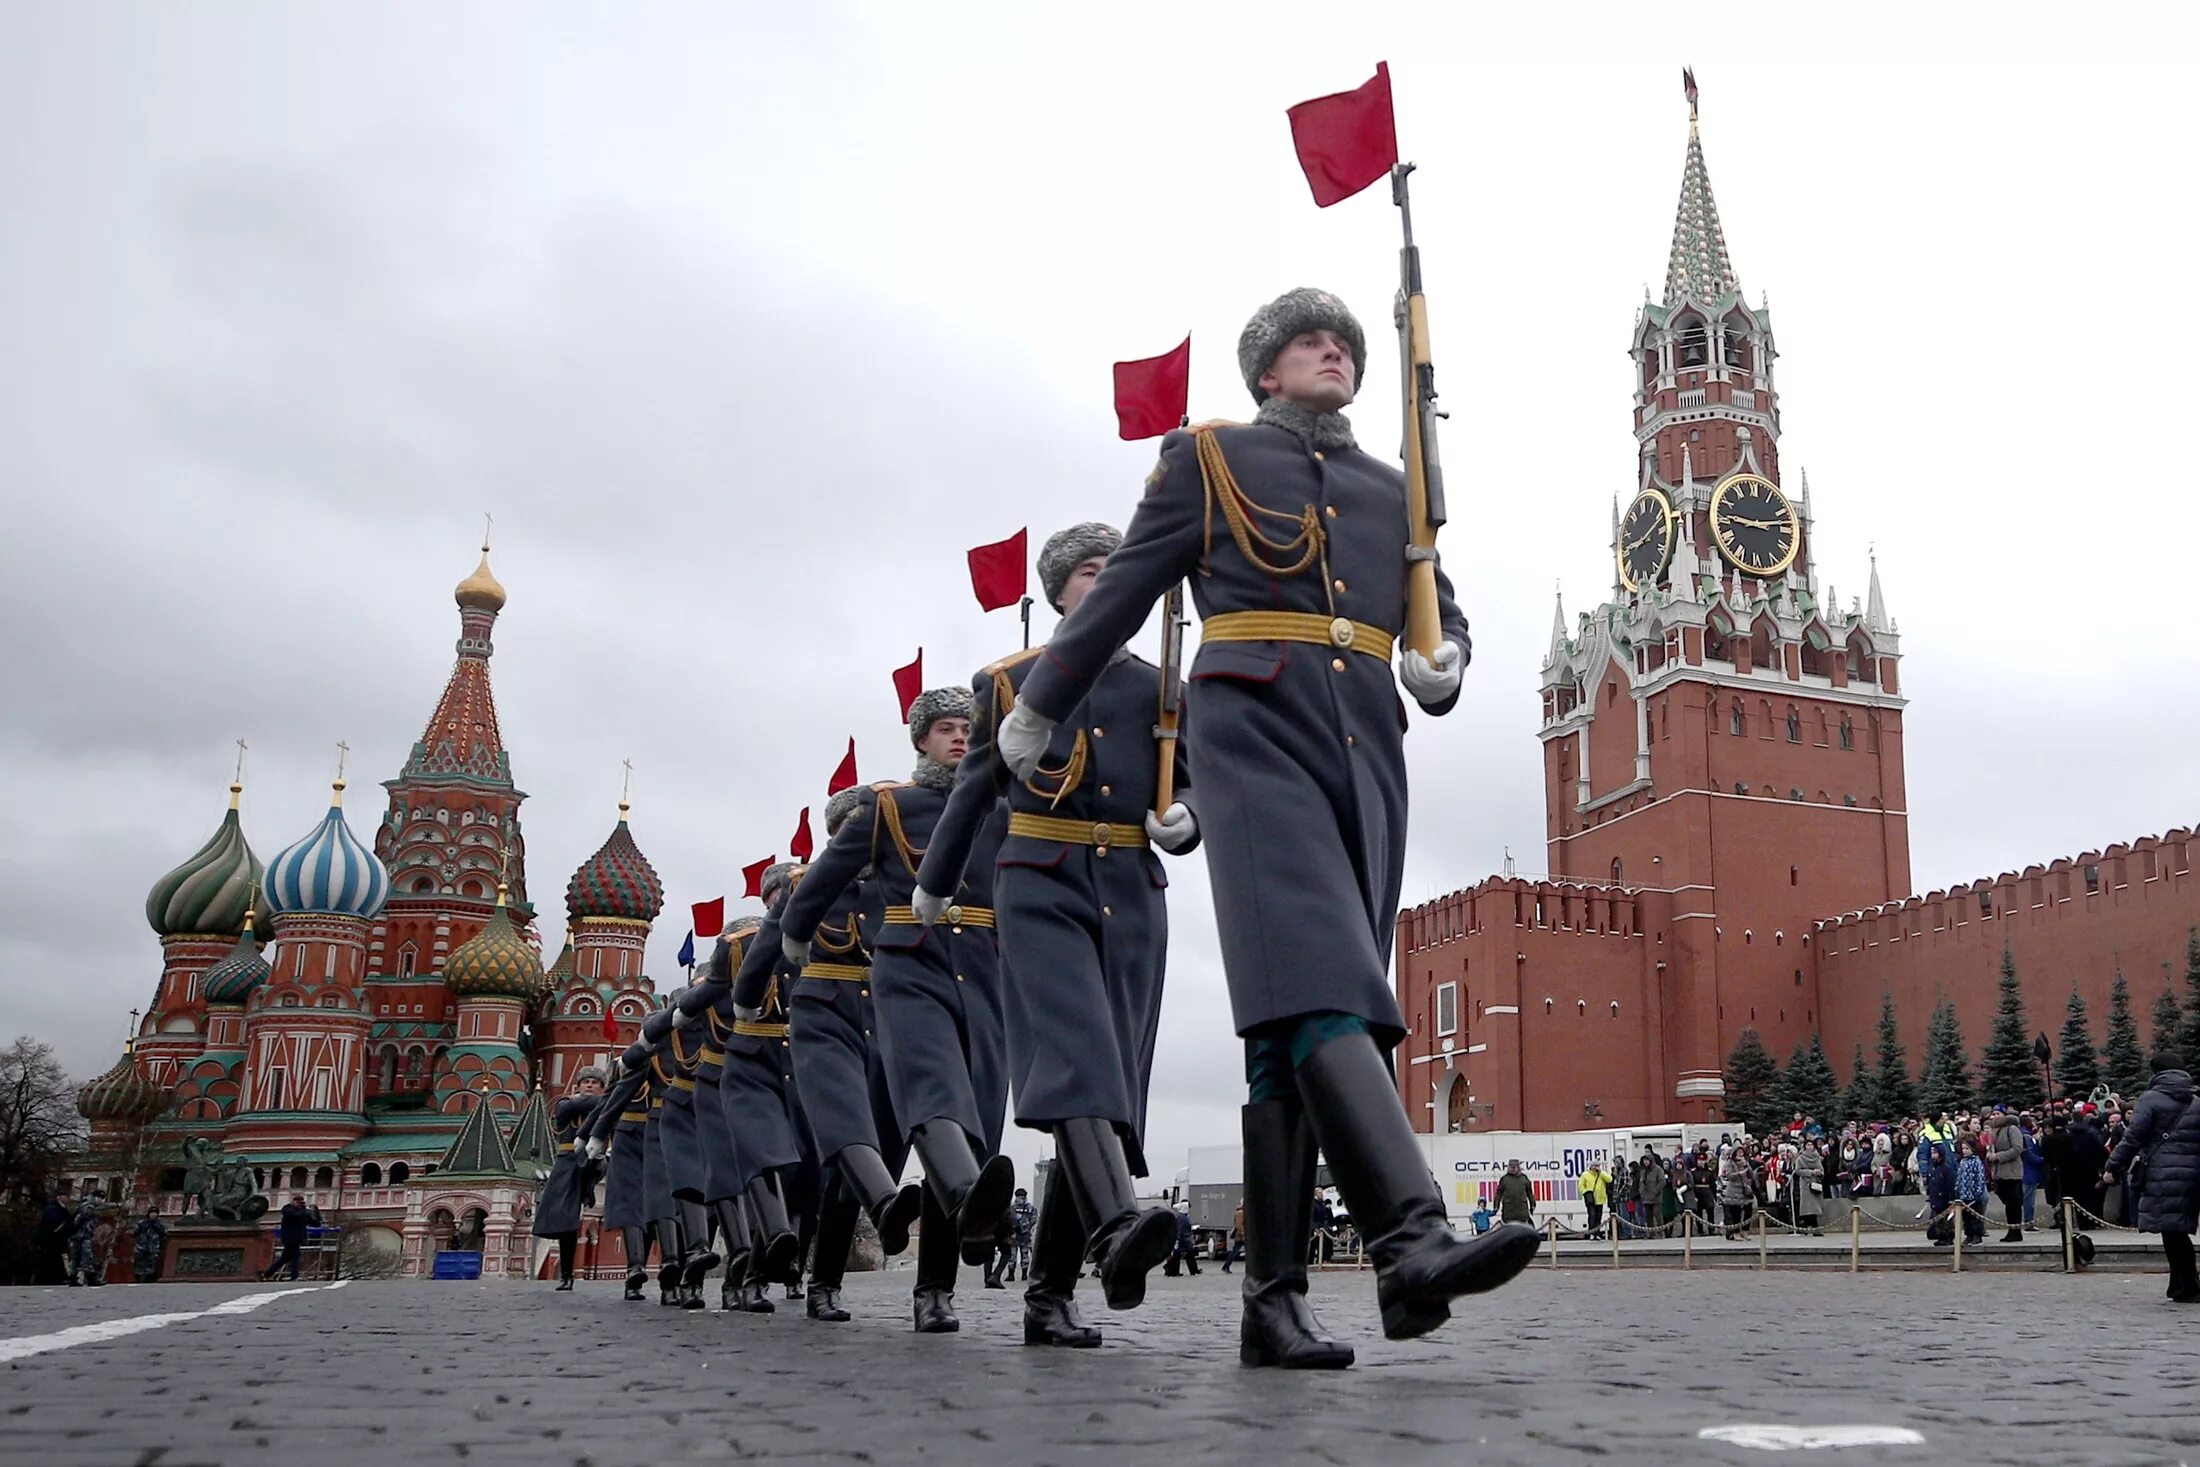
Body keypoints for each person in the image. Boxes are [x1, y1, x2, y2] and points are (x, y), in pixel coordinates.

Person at [999, 288, 1538, 1369]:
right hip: (1251, 741)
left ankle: (1273, 1304)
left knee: (1297, 1039)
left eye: (1341, 340)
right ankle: (1408, 1239)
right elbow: (1127, 592)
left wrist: (1448, 662)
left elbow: (1438, 606)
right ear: (1265, 372)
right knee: (1330, 982)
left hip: (1364, 763)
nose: (1331, 349)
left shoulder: (1393, 490)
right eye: (1306, 340)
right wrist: (1040, 702)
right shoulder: (1210, 460)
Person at [915, 521, 1196, 1347]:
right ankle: (1116, 1229)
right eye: (1093, 571)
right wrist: (933, 883)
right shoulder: (1012, 681)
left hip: (1134, 894)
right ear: (1059, 588)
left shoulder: (1162, 684)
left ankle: (1049, 1294)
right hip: (1041, 884)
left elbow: (1198, 772)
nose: (1111, 583)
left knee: (1109, 1087)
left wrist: (1193, 817)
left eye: (1120, 570)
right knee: (1078, 1059)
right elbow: (975, 788)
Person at [778, 687, 1014, 1335]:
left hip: (981, 981)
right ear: (920, 739)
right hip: (903, 996)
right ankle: (823, 1278)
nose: (961, 737)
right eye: (945, 727)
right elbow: (822, 882)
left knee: (967, 1136)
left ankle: (934, 1291)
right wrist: (794, 933)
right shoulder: (889, 810)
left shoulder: (998, 807)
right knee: (867, 1151)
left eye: (969, 726)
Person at [2104, 1054, 2199, 1303]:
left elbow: (2133, 1137)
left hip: (2163, 1172)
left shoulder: (2150, 1099)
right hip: (2192, 1173)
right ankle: (2179, 1284)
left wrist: (2113, 1165)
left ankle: (2188, 1284)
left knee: (2172, 1231)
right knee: (2178, 1230)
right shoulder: (2196, 1101)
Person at [534, 1066, 606, 1291]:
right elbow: (563, 1110)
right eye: (586, 1081)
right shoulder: (566, 1103)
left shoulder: (597, 1103)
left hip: (593, 1161)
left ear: (602, 1087)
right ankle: (566, 1274)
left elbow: (594, 1106)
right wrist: (596, 1101)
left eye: (595, 1082)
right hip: (567, 1160)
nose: (590, 1085)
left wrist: (589, 1102)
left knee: (595, 1170)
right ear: (578, 1085)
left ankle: (589, 1187)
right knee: (566, 1220)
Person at [1986, 1105, 2026, 1243]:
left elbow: (2017, 1148)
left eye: (1997, 1113)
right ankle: (2011, 1229)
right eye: (1993, 1113)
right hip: (2000, 1173)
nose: (1994, 1116)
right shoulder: (1997, 1131)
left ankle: (2015, 1231)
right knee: (2007, 1202)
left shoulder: (2012, 1129)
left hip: (2012, 1172)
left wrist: (1998, 1156)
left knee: (2013, 1204)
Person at [261, 1196, 318, 1281]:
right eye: (299, 1203)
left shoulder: (301, 1212)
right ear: (294, 1202)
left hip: (296, 1238)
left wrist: (312, 1215)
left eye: (301, 1203)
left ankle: (267, 1273)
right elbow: (294, 1215)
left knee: (285, 1258)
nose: (300, 1205)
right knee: (295, 1257)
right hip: (289, 1238)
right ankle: (294, 1276)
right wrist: (305, 1212)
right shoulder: (288, 1210)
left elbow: (312, 1222)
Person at [1954, 1140, 1989, 1245]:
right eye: (1963, 1148)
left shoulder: (1976, 1162)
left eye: (1967, 1148)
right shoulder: (1962, 1162)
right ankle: (1969, 1235)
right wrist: (1957, 1189)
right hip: (1964, 1195)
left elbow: (1980, 1178)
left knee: (1976, 1217)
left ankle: (1977, 1235)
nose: (1964, 1151)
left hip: (1974, 1196)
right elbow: (1959, 1177)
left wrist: (1978, 1193)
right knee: (1966, 1218)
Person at [132, 1205, 167, 1284]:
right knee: (139, 1265)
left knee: (151, 1266)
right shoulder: (142, 1223)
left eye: (155, 1213)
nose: (153, 1215)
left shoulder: (159, 1225)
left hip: (153, 1248)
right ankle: (138, 1279)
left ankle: (149, 1279)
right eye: (152, 1213)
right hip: (141, 1247)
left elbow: (163, 1235)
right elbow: (134, 1233)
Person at [1495, 1160, 1534, 1226]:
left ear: (1518, 1167)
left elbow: (1529, 1193)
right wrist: (1496, 1206)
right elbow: (1498, 1194)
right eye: (1511, 1167)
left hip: (1522, 1213)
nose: (1513, 1169)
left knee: (1522, 1232)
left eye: (1514, 1167)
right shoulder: (1504, 1179)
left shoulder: (1524, 1178)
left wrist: (1532, 1205)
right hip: (1508, 1213)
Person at [1580, 1161, 1609, 1237]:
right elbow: (1581, 1186)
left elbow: (1609, 1179)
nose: (1596, 1167)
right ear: (1591, 1166)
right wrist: (1586, 1192)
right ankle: (1591, 1233)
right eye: (1595, 1166)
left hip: (1600, 1199)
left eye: (1598, 1166)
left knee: (1598, 1217)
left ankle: (1597, 1232)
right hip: (1591, 1200)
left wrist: (1601, 1172)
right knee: (1592, 1215)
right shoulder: (1585, 1175)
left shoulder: (1601, 1174)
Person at [1222, 1199, 1246, 1273]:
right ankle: (1226, 1266)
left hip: (1240, 1236)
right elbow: (1239, 1225)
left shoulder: (1240, 1212)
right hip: (1241, 1236)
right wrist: (1243, 1234)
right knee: (1235, 1252)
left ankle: (1226, 1266)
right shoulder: (1241, 1213)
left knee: (1235, 1251)